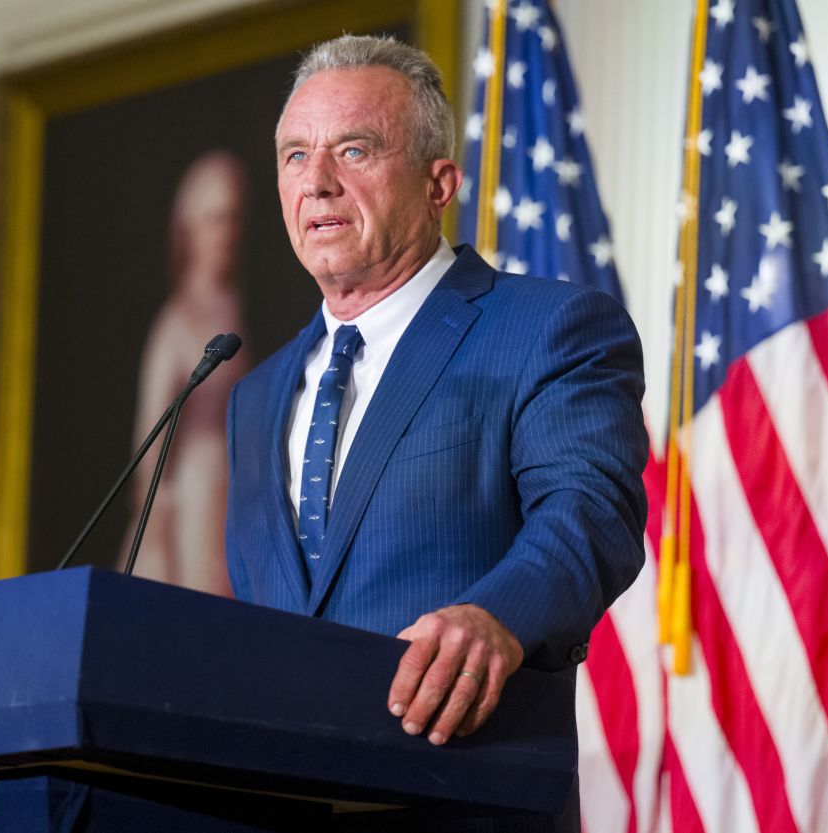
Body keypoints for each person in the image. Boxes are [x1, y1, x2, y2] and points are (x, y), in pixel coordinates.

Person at [223, 34, 647, 820]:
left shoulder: (547, 328)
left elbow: (591, 513)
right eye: (293, 156)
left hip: (464, 795)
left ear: (438, 182)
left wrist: (497, 618)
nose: (316, 182)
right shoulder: (254, 397)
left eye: (353, 150)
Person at [119, 150, 250, 595]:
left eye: (232, 219)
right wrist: (161, 508)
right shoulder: (176, 321)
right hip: (192, 498)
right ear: (190, 226)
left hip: (229, 490)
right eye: (215, 220)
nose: (225, 234)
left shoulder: (232, 306)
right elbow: (151, 430)